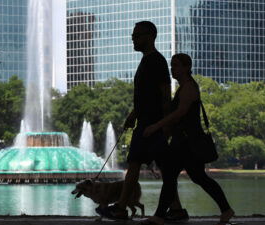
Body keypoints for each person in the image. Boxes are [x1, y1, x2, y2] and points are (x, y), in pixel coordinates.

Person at [98, 21, 187, 221]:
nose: (133, 39)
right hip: (145, 123)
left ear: (150, 36)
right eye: (133, 36)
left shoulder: (156, 61)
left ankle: (122, 208)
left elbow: (164, 95)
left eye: (137, 36)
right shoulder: (146, 61)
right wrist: (133, 114)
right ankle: (175, 209)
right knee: (140, 164)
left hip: (153, 124)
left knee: (148, 166)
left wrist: (165, 126)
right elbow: (145, 97)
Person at [141, 53, 235, 225]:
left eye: (176, 65)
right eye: (172, 65)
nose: (173, 69)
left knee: (170, 177)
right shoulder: (184, 86)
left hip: (186, 142)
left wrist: (156, 126)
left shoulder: (189, 87)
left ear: (187, 67)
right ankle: (226, 210)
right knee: (198, 177)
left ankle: (159, 216)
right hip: (185, 141)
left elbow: (180, 113)